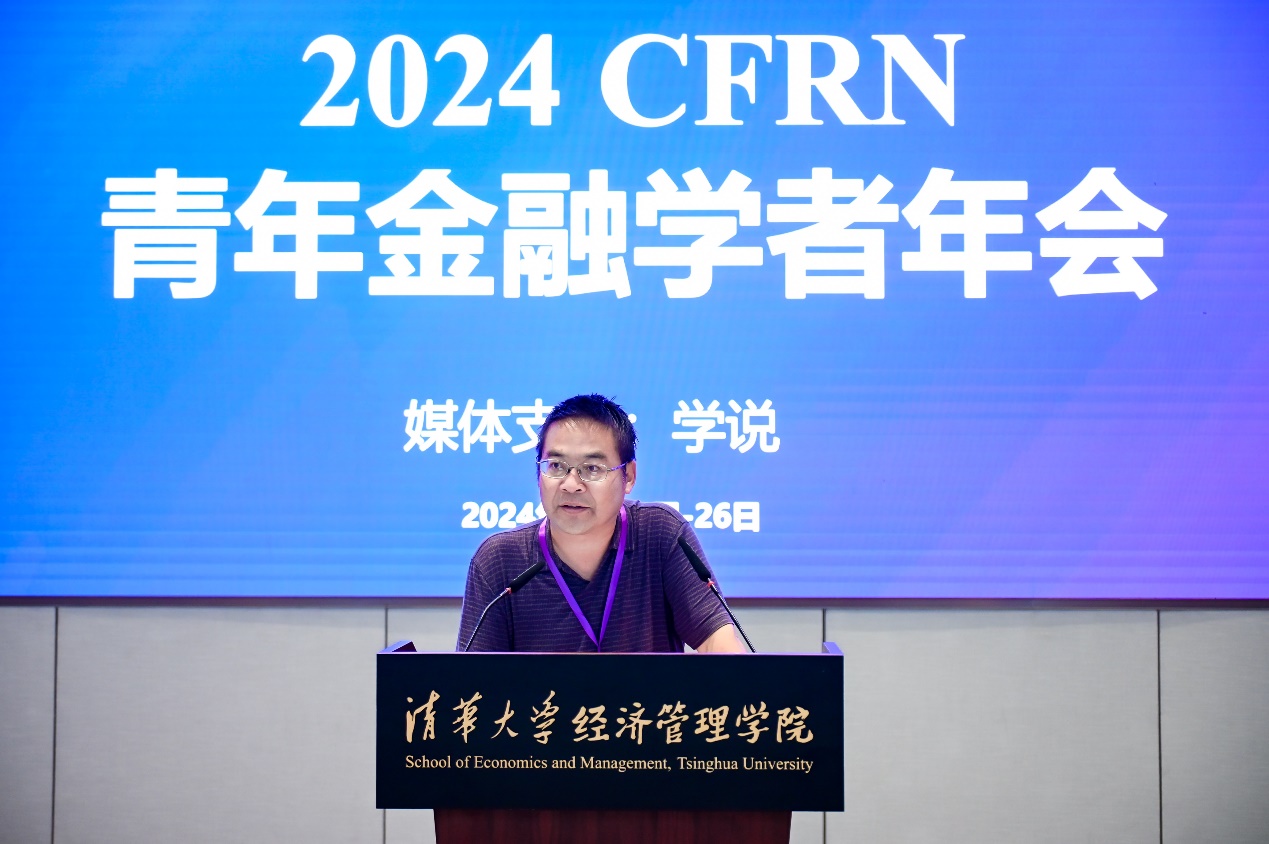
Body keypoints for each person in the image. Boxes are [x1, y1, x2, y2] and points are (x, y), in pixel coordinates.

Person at [457, 394, 746, 653]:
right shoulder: (500, 560)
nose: (571, 484)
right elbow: (473, 683)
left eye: (592, 468)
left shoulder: (661, 534)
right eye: (556, 466)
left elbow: (717, 644)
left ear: (628, 476)